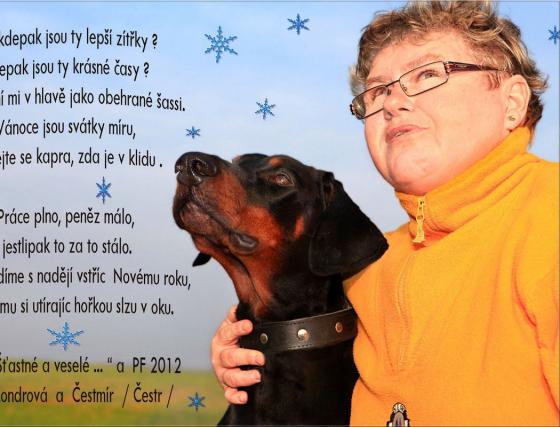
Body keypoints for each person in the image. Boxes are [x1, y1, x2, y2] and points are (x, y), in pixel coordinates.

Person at [209, 1, 559, 425]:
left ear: (512, 102)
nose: (393, 102)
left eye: (428, 74)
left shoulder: (547, 216)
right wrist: (243, 343)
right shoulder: (368, 264)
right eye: (377, 92)